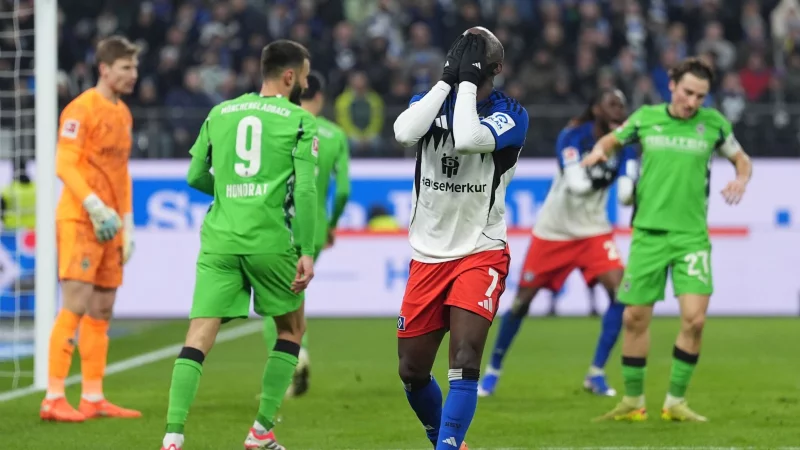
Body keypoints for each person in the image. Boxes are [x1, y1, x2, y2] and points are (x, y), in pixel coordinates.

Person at [159, 40, 317, 450]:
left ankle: (173, 437)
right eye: (304, 73)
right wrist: (308, 249)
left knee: (198, 336)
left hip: (220, 240)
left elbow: (195, 176)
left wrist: (231, 192)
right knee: (292, 329)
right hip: (269, 240)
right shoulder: (300, 120)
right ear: (288, 76)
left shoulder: (220, 112)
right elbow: (306, 192)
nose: (305, 80)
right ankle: (261, 432)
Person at [585, 57, 752, 422]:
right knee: (634, 318)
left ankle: (675, 401)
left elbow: (743, 160)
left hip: (692, 238)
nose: (693, 102)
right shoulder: (646, 118)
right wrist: (601, 150)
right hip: (648, 235)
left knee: (695, 321)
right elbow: (613, 139)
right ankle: (633, 401)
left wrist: (741, 178)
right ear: (672, 85)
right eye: (688, 92)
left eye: (701, 96)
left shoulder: (714, 125)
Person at [393, 28, 529, 450]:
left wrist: (466, 85)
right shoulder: (432, 101)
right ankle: (444, 437)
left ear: (496, 67)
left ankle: (448, 446)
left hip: (480, 251)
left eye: (474, 52)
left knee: (465, 360)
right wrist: (445, 81)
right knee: (412, 372)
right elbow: (403, 132)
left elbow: (470, 139)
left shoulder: (511, 113)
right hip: (427, 254)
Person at [478, 89, 638, 398]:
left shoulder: (625, 143)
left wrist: (631, 182)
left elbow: (625, 193)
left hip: (594, 231)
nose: (620, 110)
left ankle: (596, 373)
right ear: (596, 109)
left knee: (622, 296)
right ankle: (493, 371)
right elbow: (576, 185)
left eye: (623, 105)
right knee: (521, 303)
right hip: (554, 231)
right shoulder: (572, 135)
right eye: (613, 105)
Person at [42, 35, 139, 422]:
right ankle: (52, 396)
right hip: (82, 219)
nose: (134, 75)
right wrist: (95, 206)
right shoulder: (80, 109)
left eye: (134, 68)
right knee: (76, 304)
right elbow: (64, 164)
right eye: (126, 68)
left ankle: (93, 395)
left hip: (112, 224)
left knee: (103, 307)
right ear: (105, 68)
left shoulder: (124, 114)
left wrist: (127, 224)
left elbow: (121, 173)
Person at [262, 71, 351, 398]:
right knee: (296, 293)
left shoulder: (281, 126)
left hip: (280, 223)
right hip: (313, 228)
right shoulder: (335, 135)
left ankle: (293, 359)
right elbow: (343, 190)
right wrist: (331, 224)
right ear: (321, 98)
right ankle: (299, 353)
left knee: (274, 300)